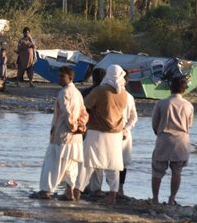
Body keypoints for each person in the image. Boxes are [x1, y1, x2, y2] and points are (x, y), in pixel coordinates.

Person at [79, 65, 130, 205]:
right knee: (112, 166)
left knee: (88, 163)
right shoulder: (124, 94)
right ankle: (113, 195)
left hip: (96, 131)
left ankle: (77, 191)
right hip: (115, 134)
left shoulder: (100, 91)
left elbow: (84, 106)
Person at [38, 66, 87, 200]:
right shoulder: (77, 92)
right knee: (70, 166)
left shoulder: (64, 92)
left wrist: (74, 127)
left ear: (70, 78)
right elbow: (84, 112)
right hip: (75, 138)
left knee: (53, 164)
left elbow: (67, 113)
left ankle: (46, 191)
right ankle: (69, 192)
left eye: (62, 77)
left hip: (63, 136)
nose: (59, 79)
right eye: (59, 76)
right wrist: (81, 127)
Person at [151, 75, 195, 205]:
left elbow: (155, 123)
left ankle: (155, 198)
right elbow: (189, 125)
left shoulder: (161, 103)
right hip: (181, 140)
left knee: (157, 170)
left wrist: (159, 133)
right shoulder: (188, 105)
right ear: (184, 89)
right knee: (177, 171)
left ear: (170, 87)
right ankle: (171, 198)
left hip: (164, 137)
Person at [120, 87, 139, 195]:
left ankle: (118, 188)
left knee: (120, 162)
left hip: (119, 132)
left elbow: (134, 117)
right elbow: (134, 117)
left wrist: (125, 128)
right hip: (124, 131)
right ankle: (119, 188)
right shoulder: (129, 96)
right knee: (121, 162)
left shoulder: (128, 97)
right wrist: (126, 128)